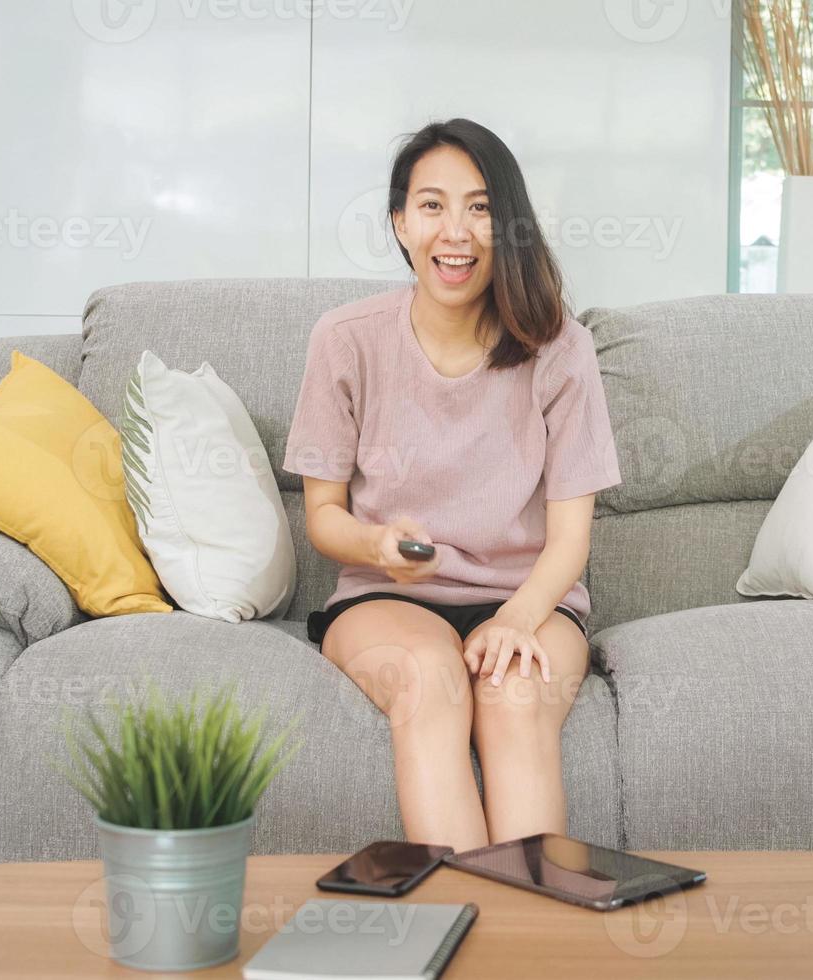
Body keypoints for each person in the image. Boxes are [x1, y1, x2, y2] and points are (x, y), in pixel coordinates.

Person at [283, 118, 622, 853]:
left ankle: (520, 947)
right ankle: (468, 938)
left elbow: (570, 539)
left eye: (479, 206)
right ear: (400, 223)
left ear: (507, 225)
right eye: (432, 206)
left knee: (513, 693)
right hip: (389, 599)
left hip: (531, 599)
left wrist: (517, 619)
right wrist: (377, 543)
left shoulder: (560, 346)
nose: (456, 231)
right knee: (430, 681)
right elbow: (323, 516)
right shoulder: (346, 339)